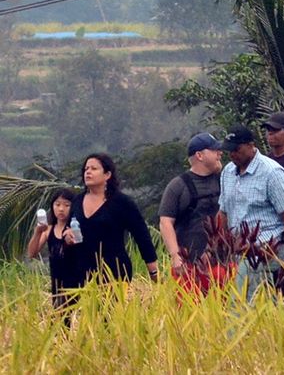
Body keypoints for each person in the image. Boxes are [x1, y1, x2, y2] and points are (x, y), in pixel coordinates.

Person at [219, 124, 284, 303]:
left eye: (236, 149)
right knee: (262, 303)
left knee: (242, 306)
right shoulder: (228, 172)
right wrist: (218, 246)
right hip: (238, 251)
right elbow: (223, 212)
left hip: (266, 251)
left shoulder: (272, 172)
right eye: (229, 151)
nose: (232, 154)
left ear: (251, 145)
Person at [68, 153, 158, 282]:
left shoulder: (122, 202)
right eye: (86, 169)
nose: (88, 172)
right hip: (82, 274)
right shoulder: (77, 201)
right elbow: (66, 228)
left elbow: (142, 236)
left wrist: (153, 271)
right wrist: (67, 235)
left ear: (107, 175)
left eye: (94, 169)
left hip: (115, 273)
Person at [159, 132, 223, 276]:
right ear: (199, 155)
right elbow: (165, 222)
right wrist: (176, 256)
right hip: (189, 266)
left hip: (222, 263)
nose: (220, 153)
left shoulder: (225, 179)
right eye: (214, 150)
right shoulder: (178, 186)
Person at [27, 188, 83, 310]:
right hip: (56, 281)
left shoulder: (76, 228)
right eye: (57, 204)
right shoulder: (48, 230)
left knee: (62, 315)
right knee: (61, 321)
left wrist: (73, 238)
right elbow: (32, 253)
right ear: (52, 206)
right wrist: (37, 233)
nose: (61, 209)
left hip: (76, 280)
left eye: (66, 205)